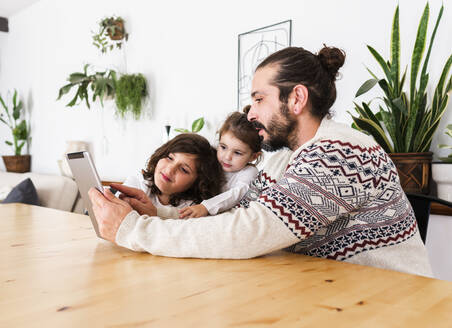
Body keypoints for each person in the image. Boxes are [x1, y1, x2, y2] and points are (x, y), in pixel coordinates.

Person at [89, 46, 432, 277]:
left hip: (391, 302)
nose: (251, 113)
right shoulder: (282, 160)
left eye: (258, 99)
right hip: (328, 292)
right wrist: (159, 214)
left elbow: (249, 233)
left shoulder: (340, 151)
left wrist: (134, 230)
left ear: (296, 98)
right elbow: (239, 217)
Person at [114, 133, 224, 218]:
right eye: (170, 158)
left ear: (198, 183)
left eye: (183, 169)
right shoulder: (138, 183)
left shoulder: (194, 208)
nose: (170, 169)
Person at [179, 111, 262, 218]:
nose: (227, 157)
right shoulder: (213, 159)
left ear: (253, 156)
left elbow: (236, 194)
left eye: (237, 153)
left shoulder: (249, 172)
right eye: (223, 147)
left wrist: (206, 207)